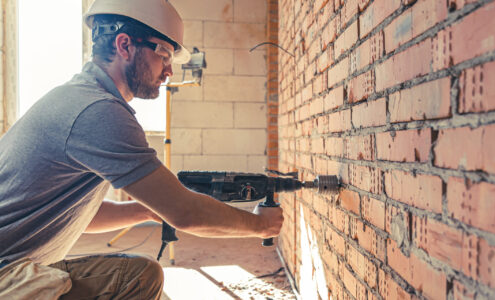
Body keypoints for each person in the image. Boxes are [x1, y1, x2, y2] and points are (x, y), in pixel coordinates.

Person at [0, 0, 284, 298]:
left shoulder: (80, 98)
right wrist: (261, 225)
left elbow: (74, 216)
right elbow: (185, 212)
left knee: (146, 283)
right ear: (125, 45)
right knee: (139, 280)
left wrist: (142, 211)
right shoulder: (98, 112)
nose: (170, 71)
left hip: (13, 265)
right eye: (164, 55)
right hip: (7, 275)